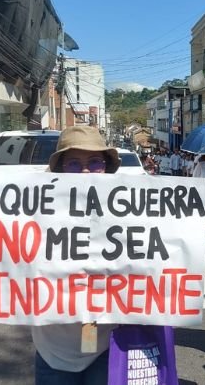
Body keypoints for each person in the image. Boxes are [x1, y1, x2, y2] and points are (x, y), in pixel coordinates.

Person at [33, 125, 121, 385]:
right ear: (60, 169)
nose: (85, 171)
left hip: (105, 344)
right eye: (73, 164)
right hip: (53, 349)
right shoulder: (36, 209)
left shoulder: (129, 212)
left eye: (94, 162)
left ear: (105, 166)